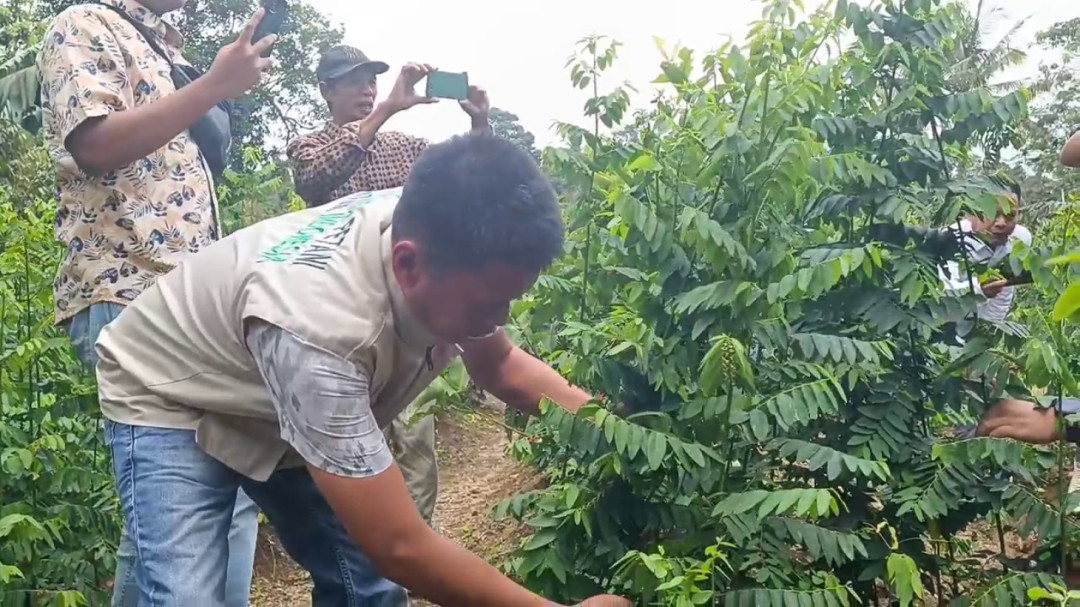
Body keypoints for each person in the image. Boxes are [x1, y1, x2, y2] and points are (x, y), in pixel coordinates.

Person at [93, 132, 631, 606]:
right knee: (188, 596)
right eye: (485, 306)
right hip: (169, 390)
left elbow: (506, 367)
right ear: (407, 264)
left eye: (509, 301)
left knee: (365, 588)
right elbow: (400, 546)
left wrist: (625, 437)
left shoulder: (446, 227)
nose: (498, 319)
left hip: (273, 374)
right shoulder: (324, 332)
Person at [37, 0, 272, 604]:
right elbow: (96, 144)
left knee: (203, 510)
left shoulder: (165, 45)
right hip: (134, 295)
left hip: (191, 308)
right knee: (187, 517)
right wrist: (216, 85)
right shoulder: (84, 24)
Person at [285, 46, 494, 532]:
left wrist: (480, 128)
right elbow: (314, 182)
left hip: (405, 320)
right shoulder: (310, 146)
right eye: (353, 81)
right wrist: (384, 113)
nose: (366, 88)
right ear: (326, 90)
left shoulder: (405, 148)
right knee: (351, 452)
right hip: (341, 324)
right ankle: (365, 557)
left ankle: (409, 560)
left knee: (416, 445)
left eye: (371, 80)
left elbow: (460, 180)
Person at [938, 184, 1032, 325]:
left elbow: (1004, 292)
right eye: (991, 213)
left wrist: (991, 329)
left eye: (1010, 215)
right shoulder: (949, 240)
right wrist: (979, 289)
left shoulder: (1020, 239)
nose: (1001, 223)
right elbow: (940, 295)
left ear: (1019, 214)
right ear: (970, 214)